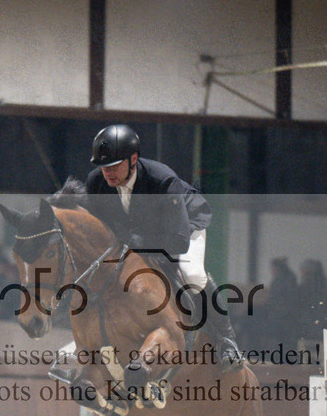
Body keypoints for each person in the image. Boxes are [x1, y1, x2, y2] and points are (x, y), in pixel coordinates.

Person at [82, 124, 239, 370]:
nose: (108, 173)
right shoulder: (96, 183)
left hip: (183, 225)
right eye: (103, 166)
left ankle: (226, 342)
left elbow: (177, 240)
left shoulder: (162, 180)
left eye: (114, 166)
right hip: (136, 236)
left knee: (192, 275)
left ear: (133, 159)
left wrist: (132, 242)